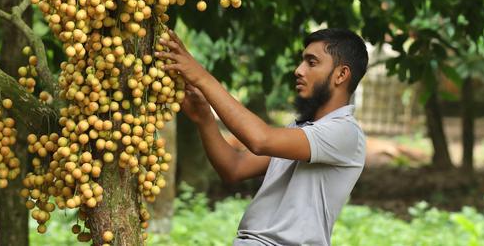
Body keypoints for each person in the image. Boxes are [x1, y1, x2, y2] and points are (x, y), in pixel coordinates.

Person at [156, 27, 369, 246]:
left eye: (311, 62)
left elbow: (260, 140)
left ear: (341, 75)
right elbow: (234, 167)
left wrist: (201, 76)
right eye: (302, 61)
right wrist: (204, 118)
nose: (298, 70)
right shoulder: (301, 129)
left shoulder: (345, 132)